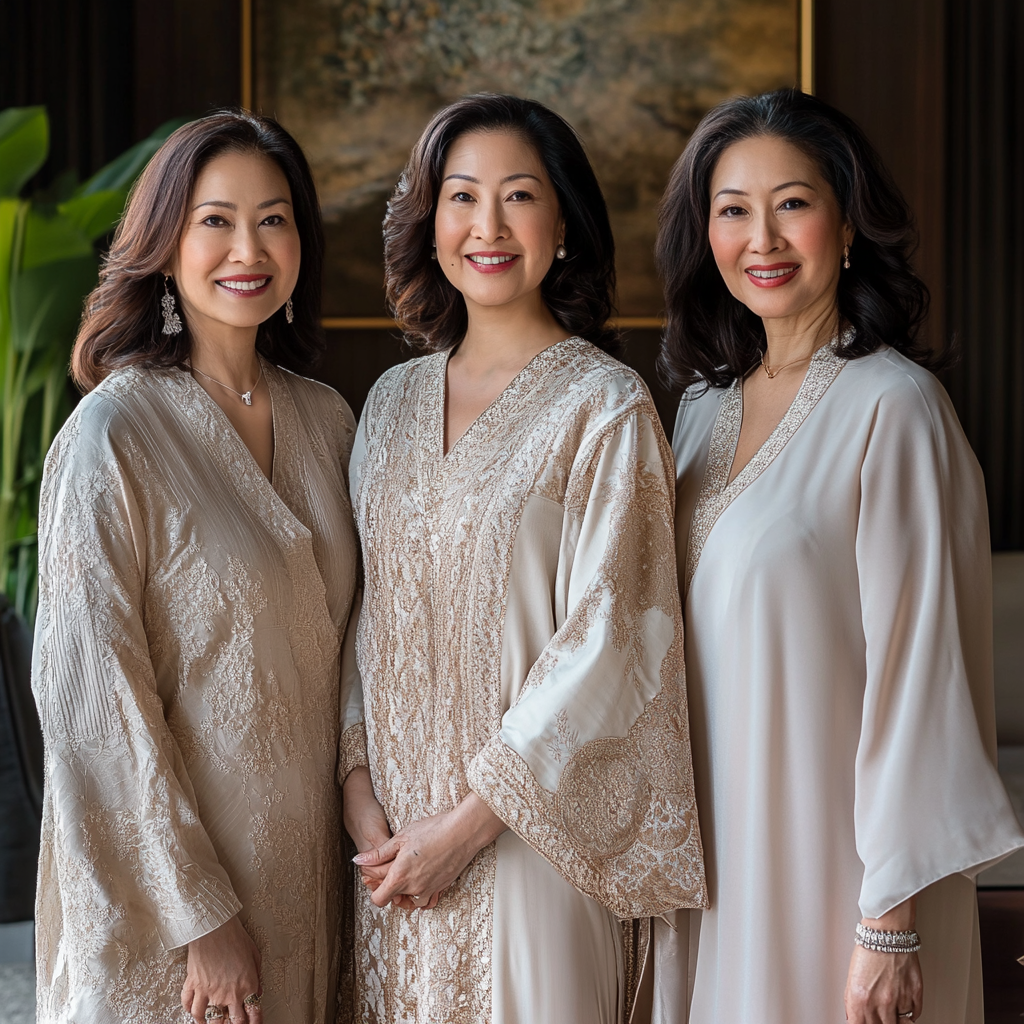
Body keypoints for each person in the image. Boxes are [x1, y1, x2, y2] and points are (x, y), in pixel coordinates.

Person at [653, 87, 1024, 1024]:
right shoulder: (700, 408)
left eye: (793, 203)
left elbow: (921, 676)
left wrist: (889, 925)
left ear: (847, 222)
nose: (762, 239)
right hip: (711, 868)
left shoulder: (894, 410)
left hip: (841, 883)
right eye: (733, 211)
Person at [338, 93, 707, 1024]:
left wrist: (465, 828)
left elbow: (613, 645)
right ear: (431, 225)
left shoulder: (606, 408)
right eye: (461, 197)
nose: (487, 227)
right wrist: (357, 794)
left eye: (519, 196)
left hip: (533, 853)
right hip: (389, 862)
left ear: (565, 225)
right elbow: (360, 613)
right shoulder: (386, 405)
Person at [32, 111, 359, 1024]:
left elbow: (362, 641)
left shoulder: (328, 421)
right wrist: (199, 914)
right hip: (169, 916)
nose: (247, 247)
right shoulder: (115, 433)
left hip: (305, 880)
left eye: (274, 217)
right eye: (214, 219)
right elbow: (92, 696)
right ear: (165, 242)